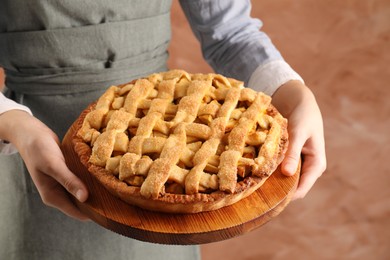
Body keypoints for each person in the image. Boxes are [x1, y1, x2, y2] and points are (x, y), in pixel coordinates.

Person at [0, 0, 326, 259]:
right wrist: (13, 123)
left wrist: (290, 90)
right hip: (34, 149)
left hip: (172, 156)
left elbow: (231, 34)